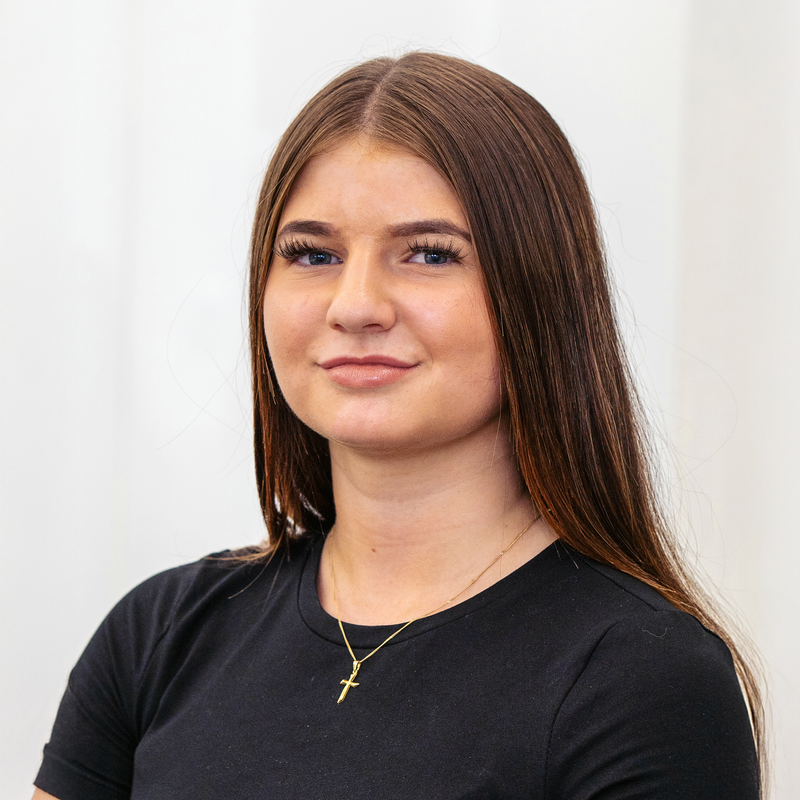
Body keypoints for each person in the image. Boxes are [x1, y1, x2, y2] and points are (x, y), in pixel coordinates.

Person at [33, 51, 763, 799]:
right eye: (313, 254)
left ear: (540, 291)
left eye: (429, 254)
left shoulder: (642, 676)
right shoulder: (159, 635)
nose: (355, 305)